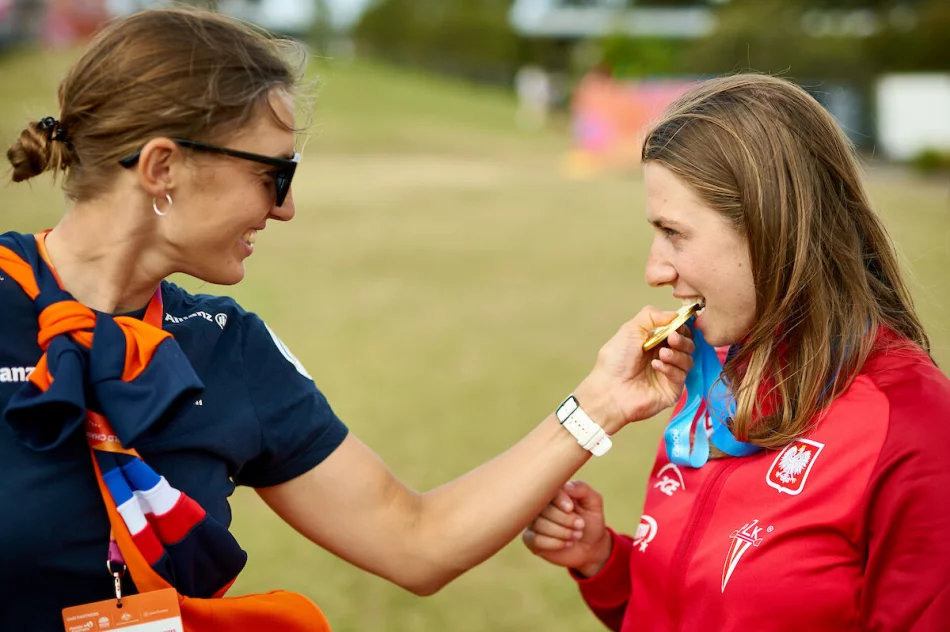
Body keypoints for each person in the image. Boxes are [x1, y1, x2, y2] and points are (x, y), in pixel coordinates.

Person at [0, 9, 698, 631]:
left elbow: (416, 540)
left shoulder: (228, 345)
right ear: (162, 168)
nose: (285, 209)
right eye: (273, 175)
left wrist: (600, 403)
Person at [523, 74, 950, 631]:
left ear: (771, 227)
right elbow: (703, 605)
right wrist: (602, 560)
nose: (655, 271)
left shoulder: (912, 425)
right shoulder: (711, 372)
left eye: (674, 233)